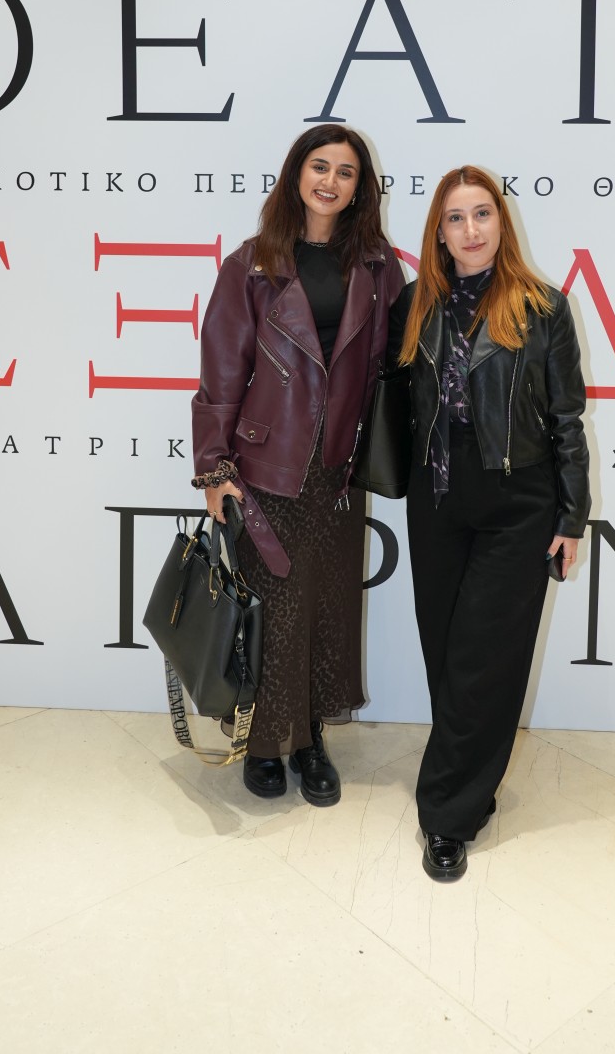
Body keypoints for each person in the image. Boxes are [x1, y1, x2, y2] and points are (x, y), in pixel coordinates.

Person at [191, 124, 403, 804]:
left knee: (324, 609)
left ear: (360, 188)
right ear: (296, 175)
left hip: (337, 469)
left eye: (346, 172)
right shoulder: (252, 265)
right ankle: (262, 742)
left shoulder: (377, 268)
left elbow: (392, 366)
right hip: (266, 467)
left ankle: (309, 740)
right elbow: (222, 372)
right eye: (319, 166)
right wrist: (214, 467)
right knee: (273, 612)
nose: (330, 181)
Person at [392, 165, 590, 880]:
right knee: (446, 652)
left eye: (482, 214)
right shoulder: (415, 303)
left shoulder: (542, 306)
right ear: (438, 232)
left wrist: (572, 514)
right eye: (456, 217)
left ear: (501, 223)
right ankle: (473, 783)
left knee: (486, 659)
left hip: (518, 501)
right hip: (437, 498)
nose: (470, 229)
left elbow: (567, 416)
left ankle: (445, 818)